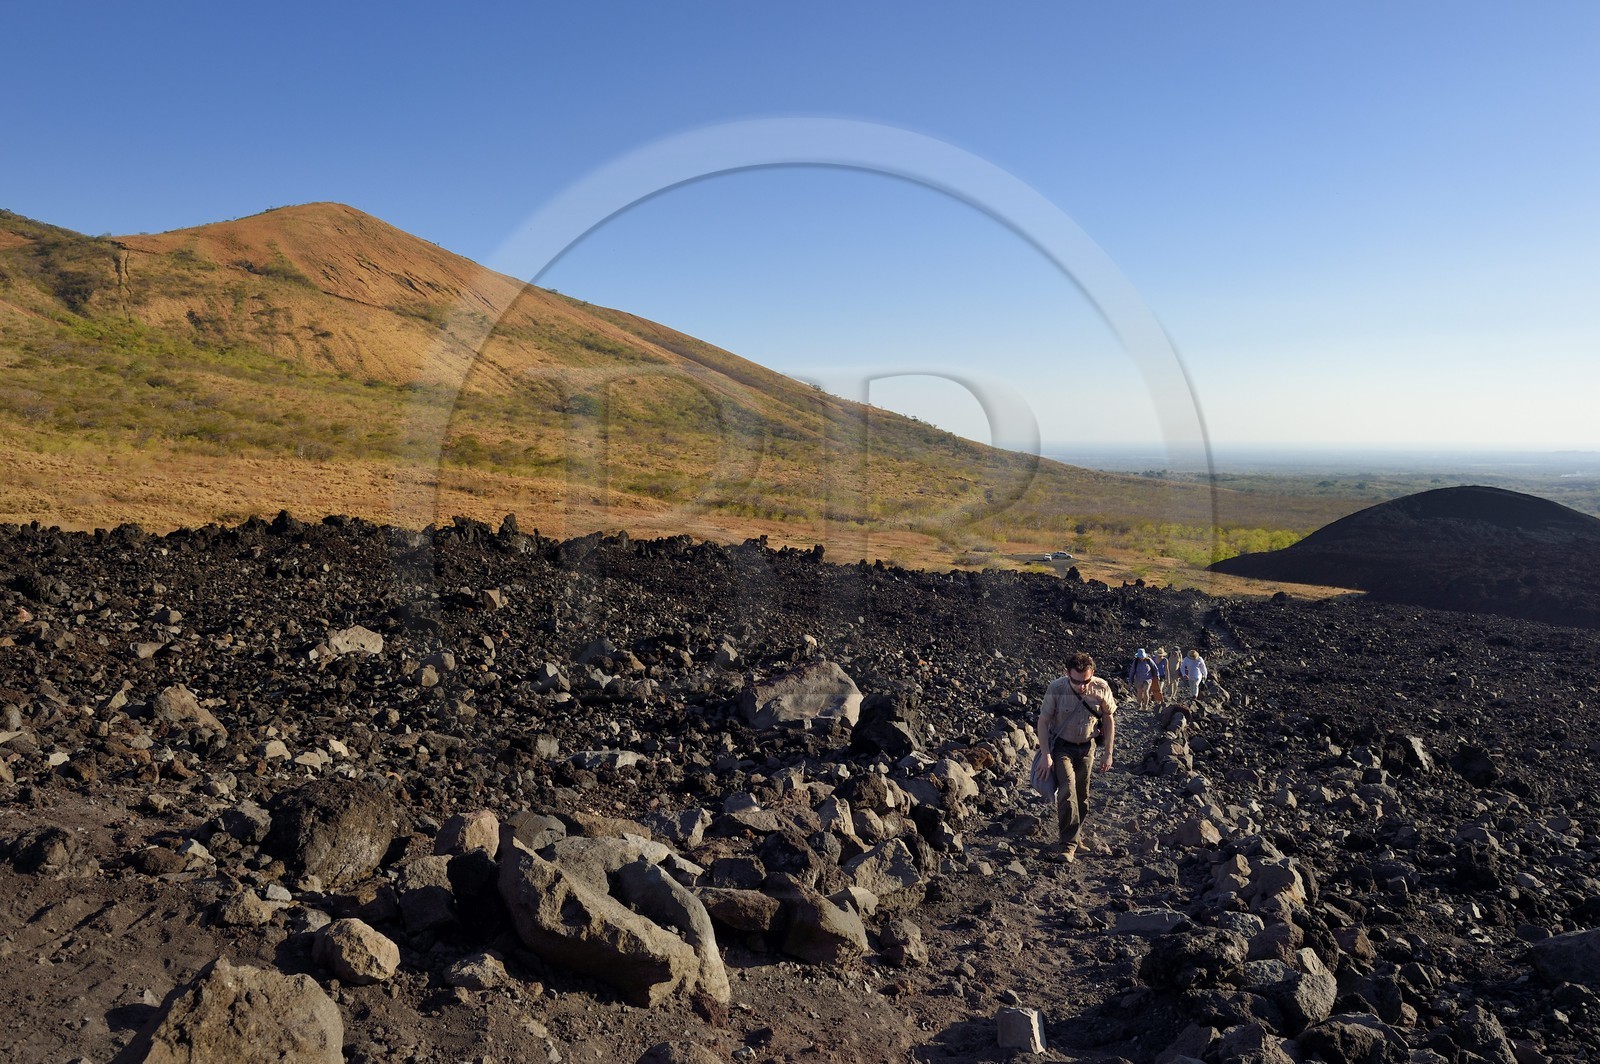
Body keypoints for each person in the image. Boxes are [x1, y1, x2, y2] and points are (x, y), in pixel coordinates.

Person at [1036, 651, 1117, 862]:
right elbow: (1043, 721)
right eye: (1076, 681)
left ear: (1093, 674)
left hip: (1087, 747)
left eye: (1086, 681)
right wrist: (1046, 755)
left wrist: (1108, 752)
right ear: (1067, 674)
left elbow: (1108, 717)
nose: (1082, 686)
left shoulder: (1101, 687)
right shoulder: (1056, 688)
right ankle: (1068, 845)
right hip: (1063, 747)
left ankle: (1076, 836)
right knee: (1067, 789)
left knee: (1082, 796)